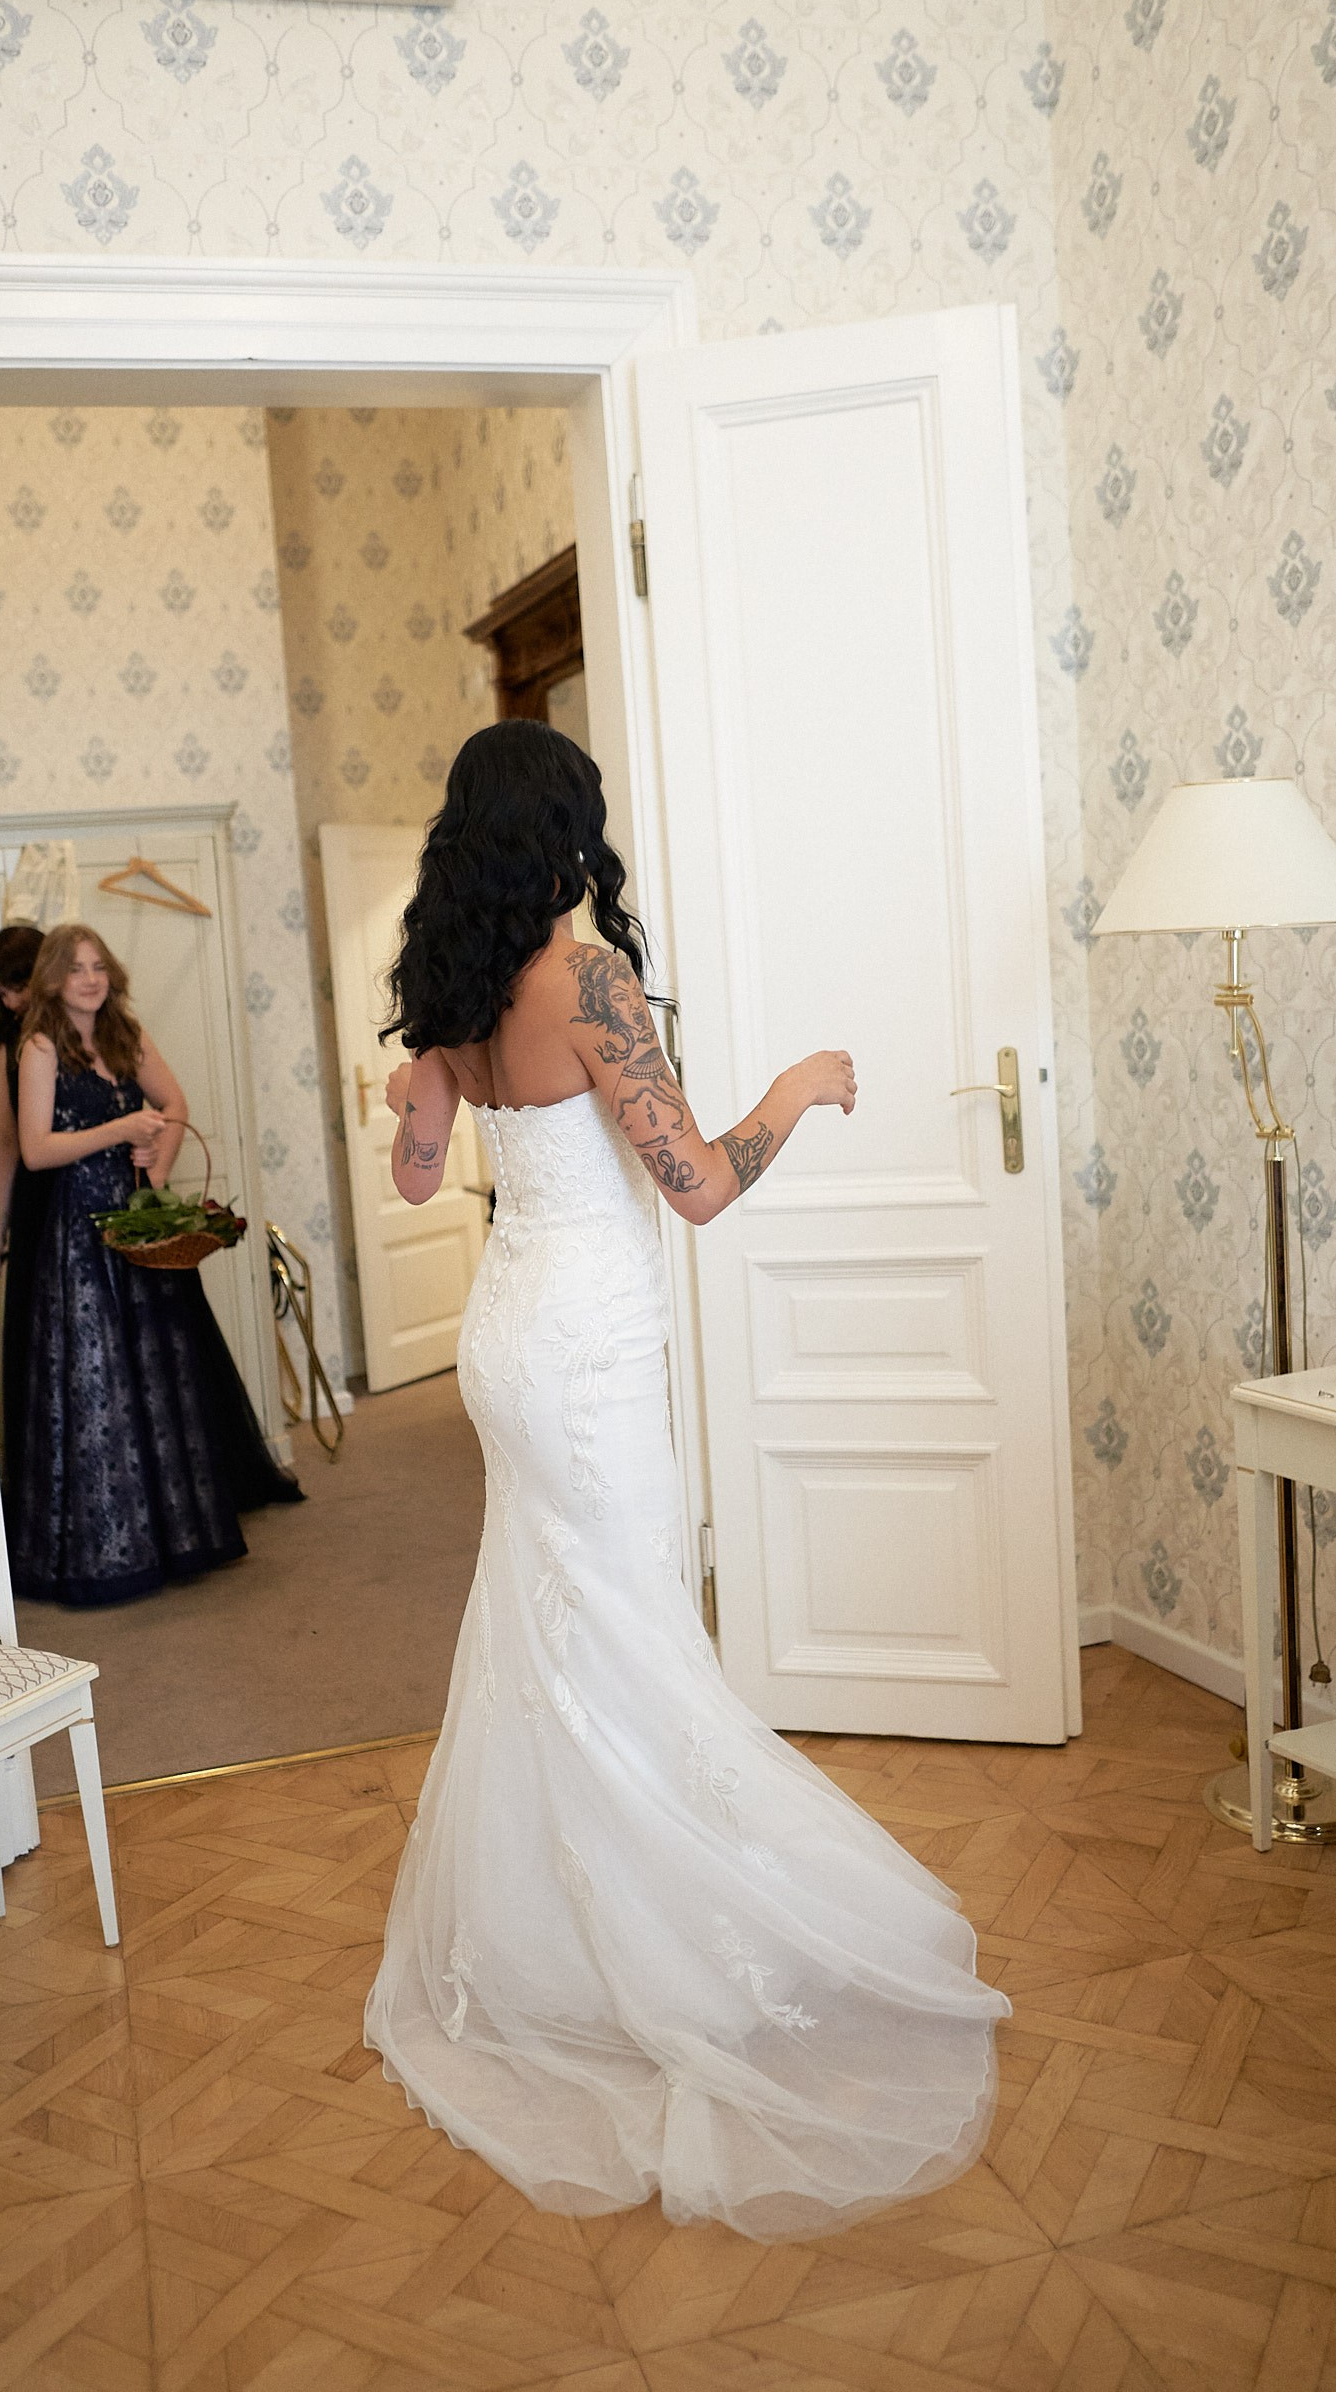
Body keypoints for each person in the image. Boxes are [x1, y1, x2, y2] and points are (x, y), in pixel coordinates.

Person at [363, 722, 1009, 2243]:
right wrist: (794, 1089)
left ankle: (544, 1945)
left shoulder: (458, 994)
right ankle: (658, 1946)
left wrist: (416, 1110)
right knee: (630, 1633)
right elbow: (702, 1187)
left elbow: (415, 1176)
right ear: (564, 833)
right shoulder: (585, 981)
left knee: (555, 1633)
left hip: (505, 1340)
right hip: (585, 1355)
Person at [10, 922, 300, 1606]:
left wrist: (159, 1162)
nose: (90, 979)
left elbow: (174, 1105)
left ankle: (176, 1537)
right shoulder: (40, 1046)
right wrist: (120, 1129)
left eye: (98, 966)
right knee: (98, 1379)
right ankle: (113, 1551)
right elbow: (35, 1150)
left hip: (138, 1225)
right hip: (79, 1232)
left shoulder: (125, 1034)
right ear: (53, 979)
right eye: (76, 968)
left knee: (157, 1367)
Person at [0, 924, 51, 1503]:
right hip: (34, 1201)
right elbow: (6, 1139)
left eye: (16, 986)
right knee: (37, 1340)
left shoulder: (80, 1027)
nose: (8, 1001)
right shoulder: (10, 1039)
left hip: (87, 1194)